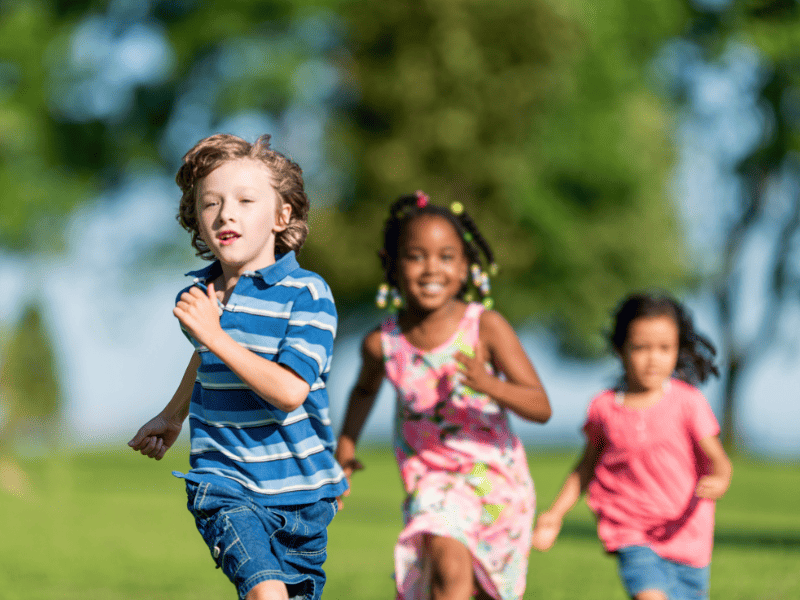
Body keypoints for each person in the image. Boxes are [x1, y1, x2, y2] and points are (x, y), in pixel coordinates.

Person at [128, 133, 347, 600]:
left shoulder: (309, 295)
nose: (226, 213)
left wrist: (216, 336)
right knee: (266, 594)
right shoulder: (199, 300)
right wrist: (174, 414)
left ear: (281, 215)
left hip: (303, 496)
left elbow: (290, 391)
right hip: (224, 484)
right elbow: (206, 358)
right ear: (197, 220)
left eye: (246, 200)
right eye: (211, 203)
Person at [335, 192, 552, 600]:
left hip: (497, 485)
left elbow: (540, 406)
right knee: (447, 564)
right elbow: (363, 390)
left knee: (486, 591)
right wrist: (344, 451)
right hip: (431, 481)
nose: (431, 268)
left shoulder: (485, 327)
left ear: (467, 268)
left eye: (447, 256)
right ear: (391, 264)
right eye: (416, 256)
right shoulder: (383, 343)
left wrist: (490, 385)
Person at [531, 293, 732, 600]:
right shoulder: (605, 408)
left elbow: (718, 460)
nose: (654, 358)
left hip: (687, 535)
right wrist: (555, 513)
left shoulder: (688, 402)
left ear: (678, 349)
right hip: (630, 529)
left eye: (665, 348)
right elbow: (586, 466)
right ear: (619, 350)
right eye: (641, 348)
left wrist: (719, 479)